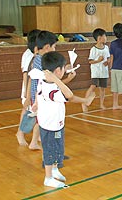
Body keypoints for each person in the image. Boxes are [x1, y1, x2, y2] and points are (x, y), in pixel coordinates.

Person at [37, 51, 94, 188]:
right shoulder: (52, 90)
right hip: (50, 126)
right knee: (50, 151)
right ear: (57, 71)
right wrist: (85, 101)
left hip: (56, 124)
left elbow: (58, 84)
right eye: (62, 68)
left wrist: (63, 77)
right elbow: (69, 95)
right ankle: (48, 177)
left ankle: (55, 170)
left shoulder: (44, 79)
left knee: (58, 147)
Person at [16, 29, 40, 146]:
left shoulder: (35, 53)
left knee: (34, 112)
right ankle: (20, 133)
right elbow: (26, 73)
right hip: (29, 88)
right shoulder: (28, 55)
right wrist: (26, 94)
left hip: (33, 88)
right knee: (28, 111)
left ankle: (37, 135)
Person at [82, 28, 110, 112]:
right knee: (93, 86)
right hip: (96, 72)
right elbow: (90, 61)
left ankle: (101, 104)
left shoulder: (106, 48)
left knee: (102, 88)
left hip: (104, 71)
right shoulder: (93, 49)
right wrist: (98, 60)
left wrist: (108, 62)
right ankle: (84, 102)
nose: (106, 38)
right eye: (104, 36)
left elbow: (108, 58)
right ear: (99, 38)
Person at [109, 23, 122, 112]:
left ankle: (115, 104)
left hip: (114, 68)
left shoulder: (113, 43)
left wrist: (110, 68)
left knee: (115, 87)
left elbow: (112, 57)